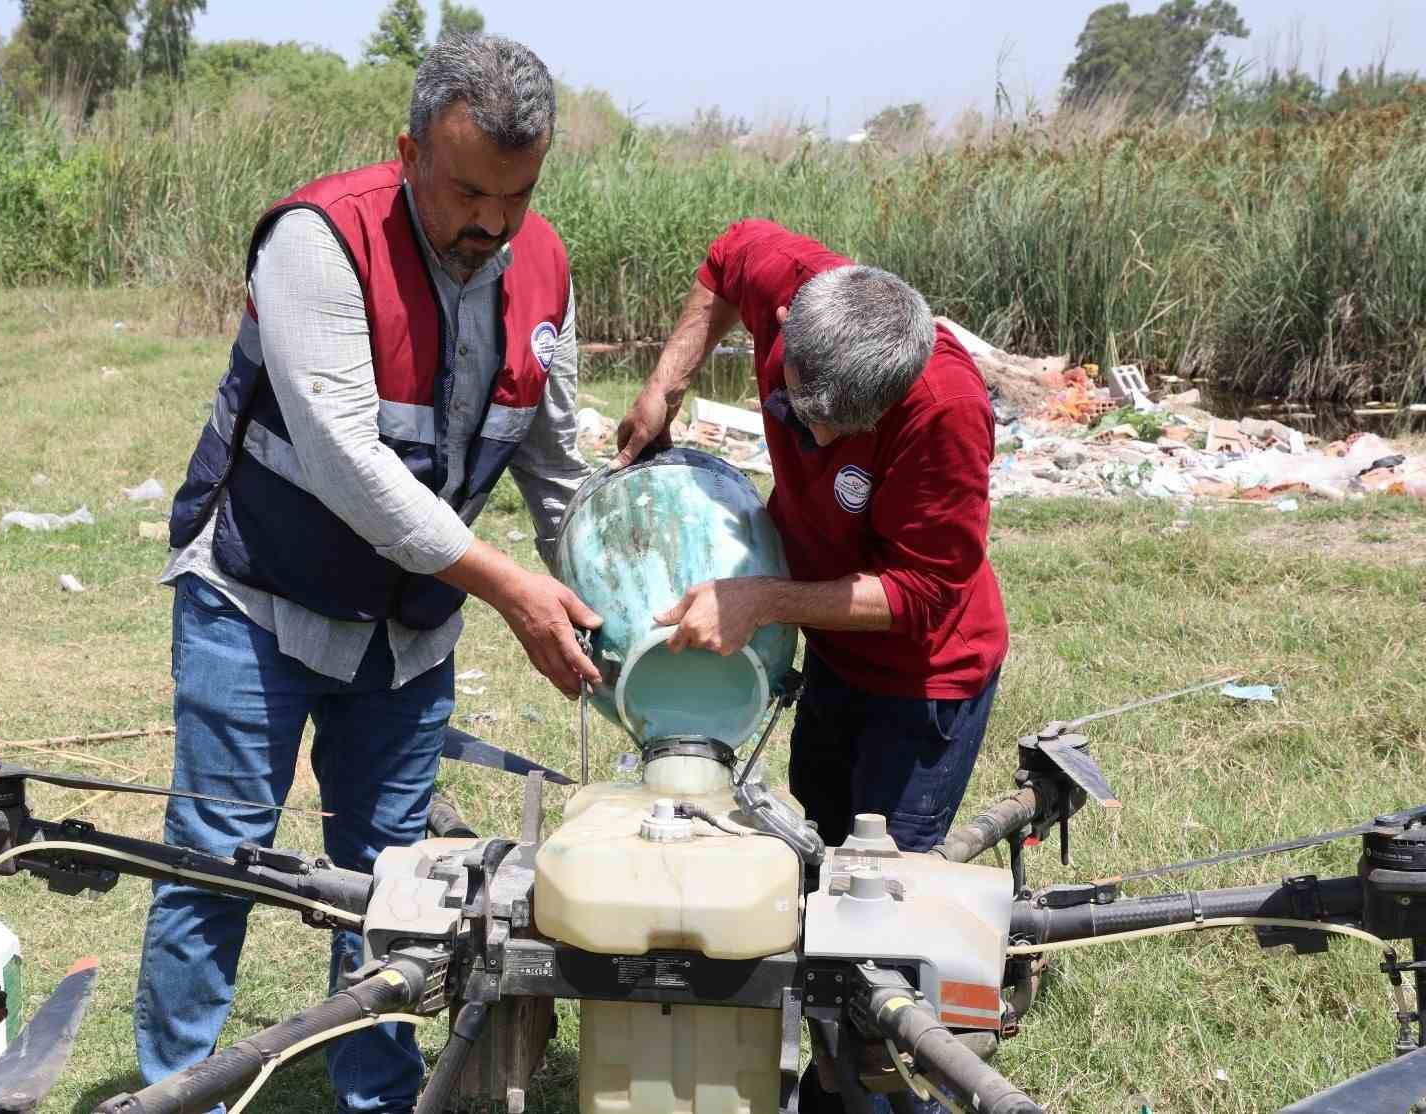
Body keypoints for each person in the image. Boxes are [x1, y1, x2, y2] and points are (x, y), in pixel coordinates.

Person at [137, 34, 601, 1114]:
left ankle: (378, 1098)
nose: (489, 222)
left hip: (409, 630)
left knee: (395, 885)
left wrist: (599, 592)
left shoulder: (544, 270)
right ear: (407, 151)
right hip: (259, 598)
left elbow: (556, 469)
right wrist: (511, 589)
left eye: (517, 195)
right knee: (219, 857)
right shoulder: (317, 242)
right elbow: (348, 462)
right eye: (466, 191)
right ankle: (177, 1093)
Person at [613, 219, 1008, 1113]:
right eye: (802, 413)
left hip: (923, 676)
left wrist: (765, 599)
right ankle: (815, 1060)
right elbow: (722, 255)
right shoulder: (786, 280)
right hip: (833, 653)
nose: (820, 444)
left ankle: (872, 1083)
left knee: (877, 904)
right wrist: (664, 385)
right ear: (784, 323)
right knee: (814, 860)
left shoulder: (945, 409)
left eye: (847, 428)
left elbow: (923, 592)